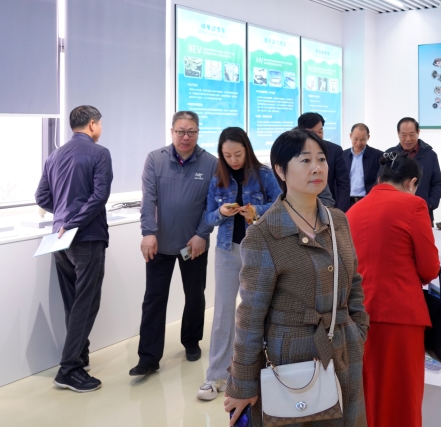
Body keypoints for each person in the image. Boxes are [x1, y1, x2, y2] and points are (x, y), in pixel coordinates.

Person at [223, 129, 369, 427]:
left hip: (343, 350)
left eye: (321, 159)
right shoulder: (264, 234)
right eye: (305, 160)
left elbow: (354, 282)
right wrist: (242, 383)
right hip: (290, 361)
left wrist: (358, 328)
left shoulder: (338, 220)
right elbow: (250, 316)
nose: (317, 168)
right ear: (280, 170)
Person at [347, 153, 440, 427]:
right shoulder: (414, 205)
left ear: (380, 178)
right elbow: (429, 268)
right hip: (401, 316)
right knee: (402, 398)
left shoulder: (353, 212)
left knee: (367, 395)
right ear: (411, 182)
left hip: (358, 316)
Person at [130, 111, 217, 377]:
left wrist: (202, 234)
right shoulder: (155, 159)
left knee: (195, 295)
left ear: (198, 133)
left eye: (191, 132)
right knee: (154, 299)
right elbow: (148, 199)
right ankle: (148, 358)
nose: (185, 137)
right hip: (160, 244)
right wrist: (148, 232)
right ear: (172, 132)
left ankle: (191, 341)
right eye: (180, 131)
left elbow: (213, 204)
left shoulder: (211, 164)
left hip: (193, 245)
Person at [197, 127, 280, 401]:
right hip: (226, 251)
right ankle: (214, 376)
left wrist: (257, 211)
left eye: (238, 154)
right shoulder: (217, 179)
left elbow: (280, 205)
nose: (233, 160)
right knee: (222, 312)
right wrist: (221, 212)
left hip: (257, 250)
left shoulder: (264, 175)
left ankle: (257, 372)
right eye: (227, 155)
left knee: (256, 311)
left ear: (247, 150)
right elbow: (208, 217)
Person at [36, 105, 113, 393]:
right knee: (86, 302)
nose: (101, 128)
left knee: (73, 301)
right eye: (100, 123)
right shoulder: (100, 153)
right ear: (92, 124)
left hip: (59, 239)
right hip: (86, 237)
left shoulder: (54, 155)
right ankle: (68, 369)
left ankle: (79, 356)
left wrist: (64, 217)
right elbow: (100, 196)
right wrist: (75, 221)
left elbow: (41, 196)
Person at [385, 117, 441, 223]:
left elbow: (437, 183)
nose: (408, 139)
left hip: (423, 211)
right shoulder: (390, 155)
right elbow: (382, 183)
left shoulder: (430, 155)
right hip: (394, 212)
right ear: (398, 134)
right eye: (404, 135)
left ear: (418, 132)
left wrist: (431, 203)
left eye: (412, 134)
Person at [298, 112, 351, 211]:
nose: (318, 135)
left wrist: (340, 211)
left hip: (329, 205)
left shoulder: (334, 150)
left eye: (320, 131)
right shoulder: (295, 150)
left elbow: (343, 183)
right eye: (313, 132)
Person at [343, 123, 382, 207]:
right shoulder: (343, 155)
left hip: (369, 200)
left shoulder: (378, 155)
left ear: (368, 137)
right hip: (347, 201)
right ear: (350, 136)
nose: (358, 143)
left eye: (362, 139)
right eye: (356, 139)